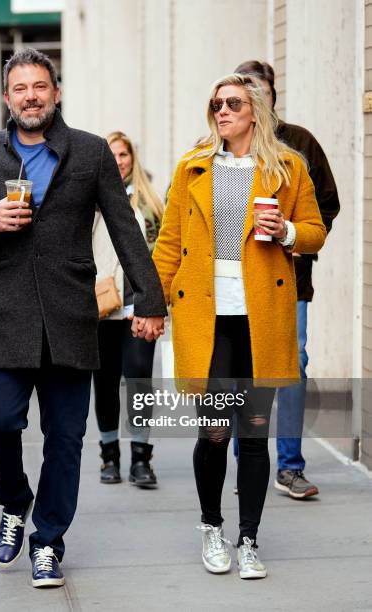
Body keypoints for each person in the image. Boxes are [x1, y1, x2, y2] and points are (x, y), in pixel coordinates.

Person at [0, 48, 165, 589]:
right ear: (6, 97)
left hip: (70, 315)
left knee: (65, 439)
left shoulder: (89, 153)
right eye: (20, 88)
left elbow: (124, 229)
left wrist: (150, 299)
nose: (31, 96)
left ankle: (48, 541)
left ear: (56, 92)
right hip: (5, 315)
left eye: (40, 86)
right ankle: (15, 501)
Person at [152, 73, 326, 579]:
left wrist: (287, 230)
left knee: (253, 434)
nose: (222, 111)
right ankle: (211, 528)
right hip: (208, 317)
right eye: (216, 104)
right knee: (213, 434)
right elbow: (169, 242)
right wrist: (154, 306)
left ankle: (249, 539)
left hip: (262, 316)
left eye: (233, 104)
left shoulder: (288, 167)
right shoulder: (193, 167)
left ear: (255, 112)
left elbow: (314, 231)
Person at [234, 60, 340, 499]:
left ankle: (290, 467)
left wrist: (296, 236)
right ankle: (246, 460)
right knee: (244, 368)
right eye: (243, 94)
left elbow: (327, 205)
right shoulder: (225, 148)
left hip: (291, 277)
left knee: (292, 365)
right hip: (239, 281)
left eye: (261, 91)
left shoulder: (299, 144)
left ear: (272, 97)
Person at [93, 131, 164, 487]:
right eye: (112, 154)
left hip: (138, 305)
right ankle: (109, 456)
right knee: (104, 383)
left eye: (124, 154)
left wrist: (158, 300)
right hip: (101, 305)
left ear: (132, 159)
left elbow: (162, 252)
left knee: (138, 381)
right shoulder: (90, 199)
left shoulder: (148, 203)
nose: (118, 160)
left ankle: (140, 458)